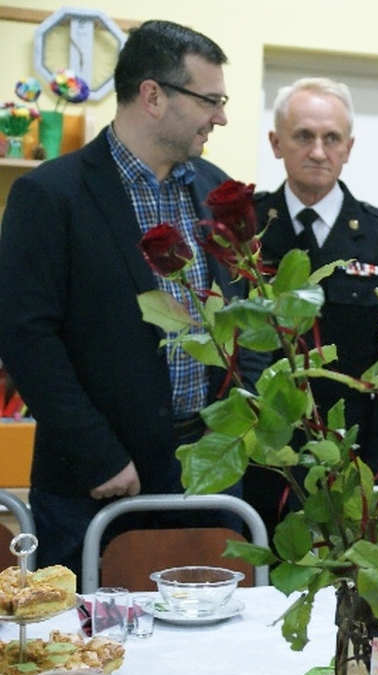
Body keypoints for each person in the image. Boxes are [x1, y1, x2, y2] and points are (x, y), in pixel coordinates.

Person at [0, 20, 258, 580]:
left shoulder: (215, 189)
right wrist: (99, 454)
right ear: (152, 96)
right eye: (210, 100)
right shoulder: (50, 195)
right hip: (98, 480)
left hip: (210, 472)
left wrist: (247, 420)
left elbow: (246, 314)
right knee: (93, 654)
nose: (222, 116)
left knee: (213, 653)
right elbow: (26, 339)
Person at [248, 77, 378, 531]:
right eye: (303, 136)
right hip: (260, 462)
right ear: (277, 143)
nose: (318, 151)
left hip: (352, 459)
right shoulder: (246, 228)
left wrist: (375, 470)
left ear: (349, 147)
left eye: (331, 138)